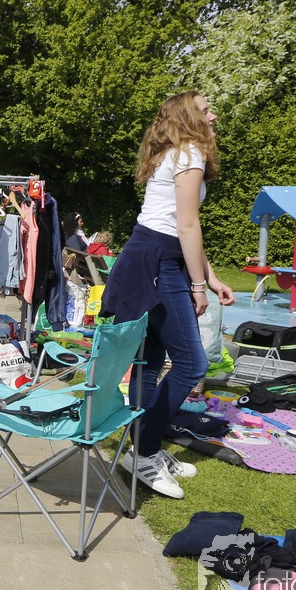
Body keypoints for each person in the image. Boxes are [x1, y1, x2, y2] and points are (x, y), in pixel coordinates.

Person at [100, 91, 236, 500]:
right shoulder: (190, 153)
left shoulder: (174, 152)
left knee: (149, 362)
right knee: (192, 364)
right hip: (158, 260)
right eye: (206, 110)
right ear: (189, 117)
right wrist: (198, 285)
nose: (214, 115)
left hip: (151, 254)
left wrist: (210, 276)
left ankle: (145, 447)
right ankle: (143, 452)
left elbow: (184, 225)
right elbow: (187, 225)